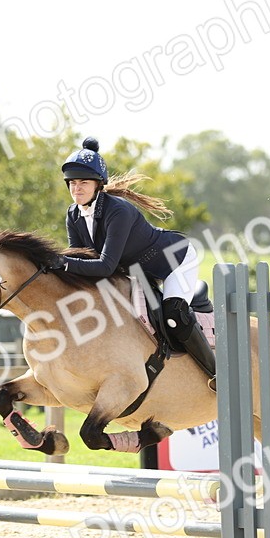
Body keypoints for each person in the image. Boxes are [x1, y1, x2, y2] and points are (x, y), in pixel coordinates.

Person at [56, 136, 215, 383]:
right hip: (138, 271)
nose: (76, 189)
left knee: (174, 316)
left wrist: (62, 263)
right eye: (72, 183)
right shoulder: (73, 214)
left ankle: (216, 374)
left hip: (174, 260)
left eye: (83, 182)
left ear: (98, 185)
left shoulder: (117, 210)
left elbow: (105, 265)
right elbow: (81, 259)